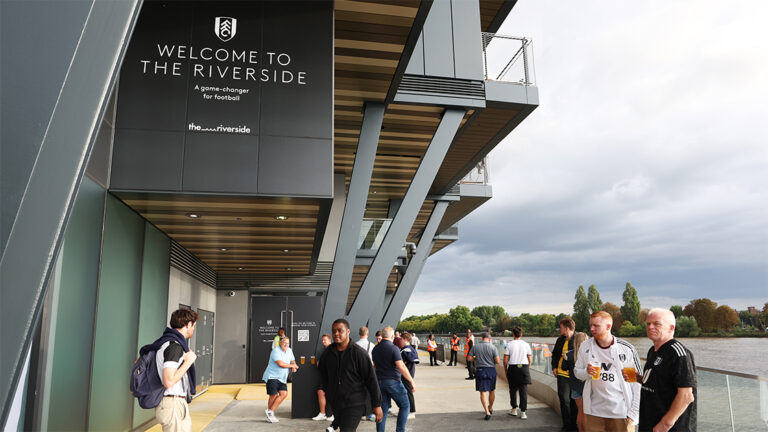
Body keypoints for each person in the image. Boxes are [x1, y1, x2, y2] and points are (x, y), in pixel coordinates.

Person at [574, 311, 641, 432]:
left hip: (620, 413)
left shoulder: (625, 349)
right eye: (591, 325)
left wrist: (634, 413)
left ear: (608, 326)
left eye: (596, 326)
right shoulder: (586, 346)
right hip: (594, 412)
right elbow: (577, 372)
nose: (592, 329)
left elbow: (635, 381)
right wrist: (587, 372)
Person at [318, 319, 382, 432]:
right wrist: (328, 391)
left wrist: (376, 405)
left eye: (340, 330)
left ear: (348, 331)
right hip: (336, 403)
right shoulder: (327, 353)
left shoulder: (359, 354)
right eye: (334, 331)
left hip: (355, 403)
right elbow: (323, 374)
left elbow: (371, 380)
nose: (336, 333)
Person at [639, 308, 697, 432]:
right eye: (648, 323)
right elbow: (658, 382)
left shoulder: (679, 353)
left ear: (671, 328)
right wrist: (639, 378)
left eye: (657, 323)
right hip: (649, 422)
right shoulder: (652, 351)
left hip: (670, 428)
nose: (650, 327)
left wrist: (664, 425)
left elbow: (686, 395)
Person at [143, 308, 198, 432]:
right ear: (188, 324)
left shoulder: (168, 343)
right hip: (172, 403)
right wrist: (188, 362)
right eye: (194, 326)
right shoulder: (174, 346)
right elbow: (168, 381)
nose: (193, 329)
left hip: (174, 402)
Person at [371, 326, 416, 432]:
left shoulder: (375, 349)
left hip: (379, 382)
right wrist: (411, 380)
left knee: (383, 410)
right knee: (405, 405)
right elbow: (401, 366)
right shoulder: (393, 348)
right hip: (393, 382)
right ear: (392, 336)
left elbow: (374, 366)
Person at [262, 336, 298, 423]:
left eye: (287, 343)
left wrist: (293, 365)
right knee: (273, 395)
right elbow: (280, 364)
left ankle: (270, 411)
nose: (286, 344)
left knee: (284, 394)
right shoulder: (275, 351)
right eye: (284, 343)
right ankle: (270, 415)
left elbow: (292, 360)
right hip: (272, 376)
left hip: (282, 378)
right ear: (280, 343)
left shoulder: (289, 350)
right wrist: (292, 366)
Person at [552, 316, 578, 431]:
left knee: (574, 401)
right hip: (562, 374)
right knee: (564, 400)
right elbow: (555, 355)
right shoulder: (560, 340)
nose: (560, 330)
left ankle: (575, 426)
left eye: (561, 327)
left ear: (567, 328)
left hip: (575, 375)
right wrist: (554, 367)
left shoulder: (579, 339)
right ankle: (566, 426)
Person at [467, 332, 500, 420]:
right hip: (491, 370)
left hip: (480, 370)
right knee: (492, 390)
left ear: (482, 338)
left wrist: (475, 357)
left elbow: (469, 358)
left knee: (483, 392)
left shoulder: (475, 347)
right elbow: (497, 361)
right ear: (489, 339)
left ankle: (487, 411)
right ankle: (490, 407)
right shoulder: (493, 347)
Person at [504, 326, 532, 420]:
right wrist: (527, 368)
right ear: (521, 334)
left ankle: (514, 409)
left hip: (513, 368)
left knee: (513, 390)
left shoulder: (509, 344)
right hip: (523, 368)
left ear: (513, 334)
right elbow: (530, 359)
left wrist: (505, 370)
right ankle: (523, 412)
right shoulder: (526, 344)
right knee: (523, 391)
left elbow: (505, 360)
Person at [568, 331, 588, 432]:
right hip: (586, 387)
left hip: (575, 387)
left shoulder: (569, 354)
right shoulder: (587, 354)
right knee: (585, 412)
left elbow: (564, 367)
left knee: (580, 411)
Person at [312, 334, 334, 422]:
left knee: (333, 394)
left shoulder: (333, 349)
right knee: (320, 392)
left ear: (329, 340)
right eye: (322, 340)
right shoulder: (325, 351)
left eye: (325, 340)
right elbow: (319, 364)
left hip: (333, 377)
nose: (323, 342)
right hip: (326, 377)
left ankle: (332, 415)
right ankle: (322, 414)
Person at [399, 332, 419, 419]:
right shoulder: (410, 348)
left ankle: (412, 411)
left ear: (405, 339)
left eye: (401, 339)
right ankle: (407, 410)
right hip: (408, 373)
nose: (400, 341)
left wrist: (404, 362)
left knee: (408, 393)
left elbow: (414, 359)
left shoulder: (406, 350)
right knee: (405, 393)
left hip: (406, 374)